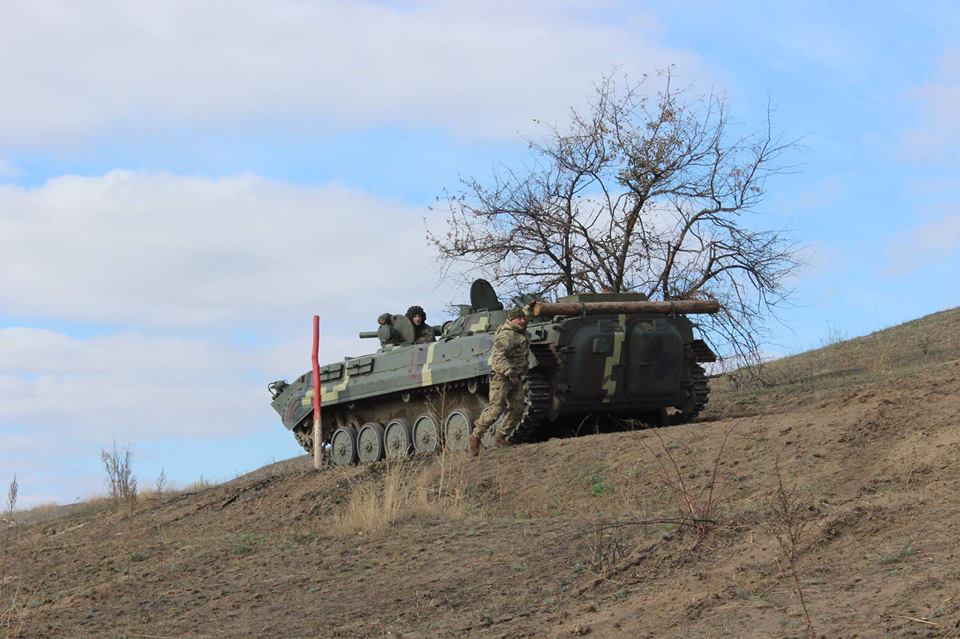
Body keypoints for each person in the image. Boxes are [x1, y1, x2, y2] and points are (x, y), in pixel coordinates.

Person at [468, 307, 529, 456]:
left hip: (516, 377)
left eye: (523, 318)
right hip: (501, 377)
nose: (522, 321)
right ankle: (476, 436)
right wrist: (509, 371)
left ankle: (501, 436)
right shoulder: (507, 335)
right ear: (512, 319)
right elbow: (497, 358)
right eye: (519, 318)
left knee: (518, 408)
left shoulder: (521, 333)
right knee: (496, 409)